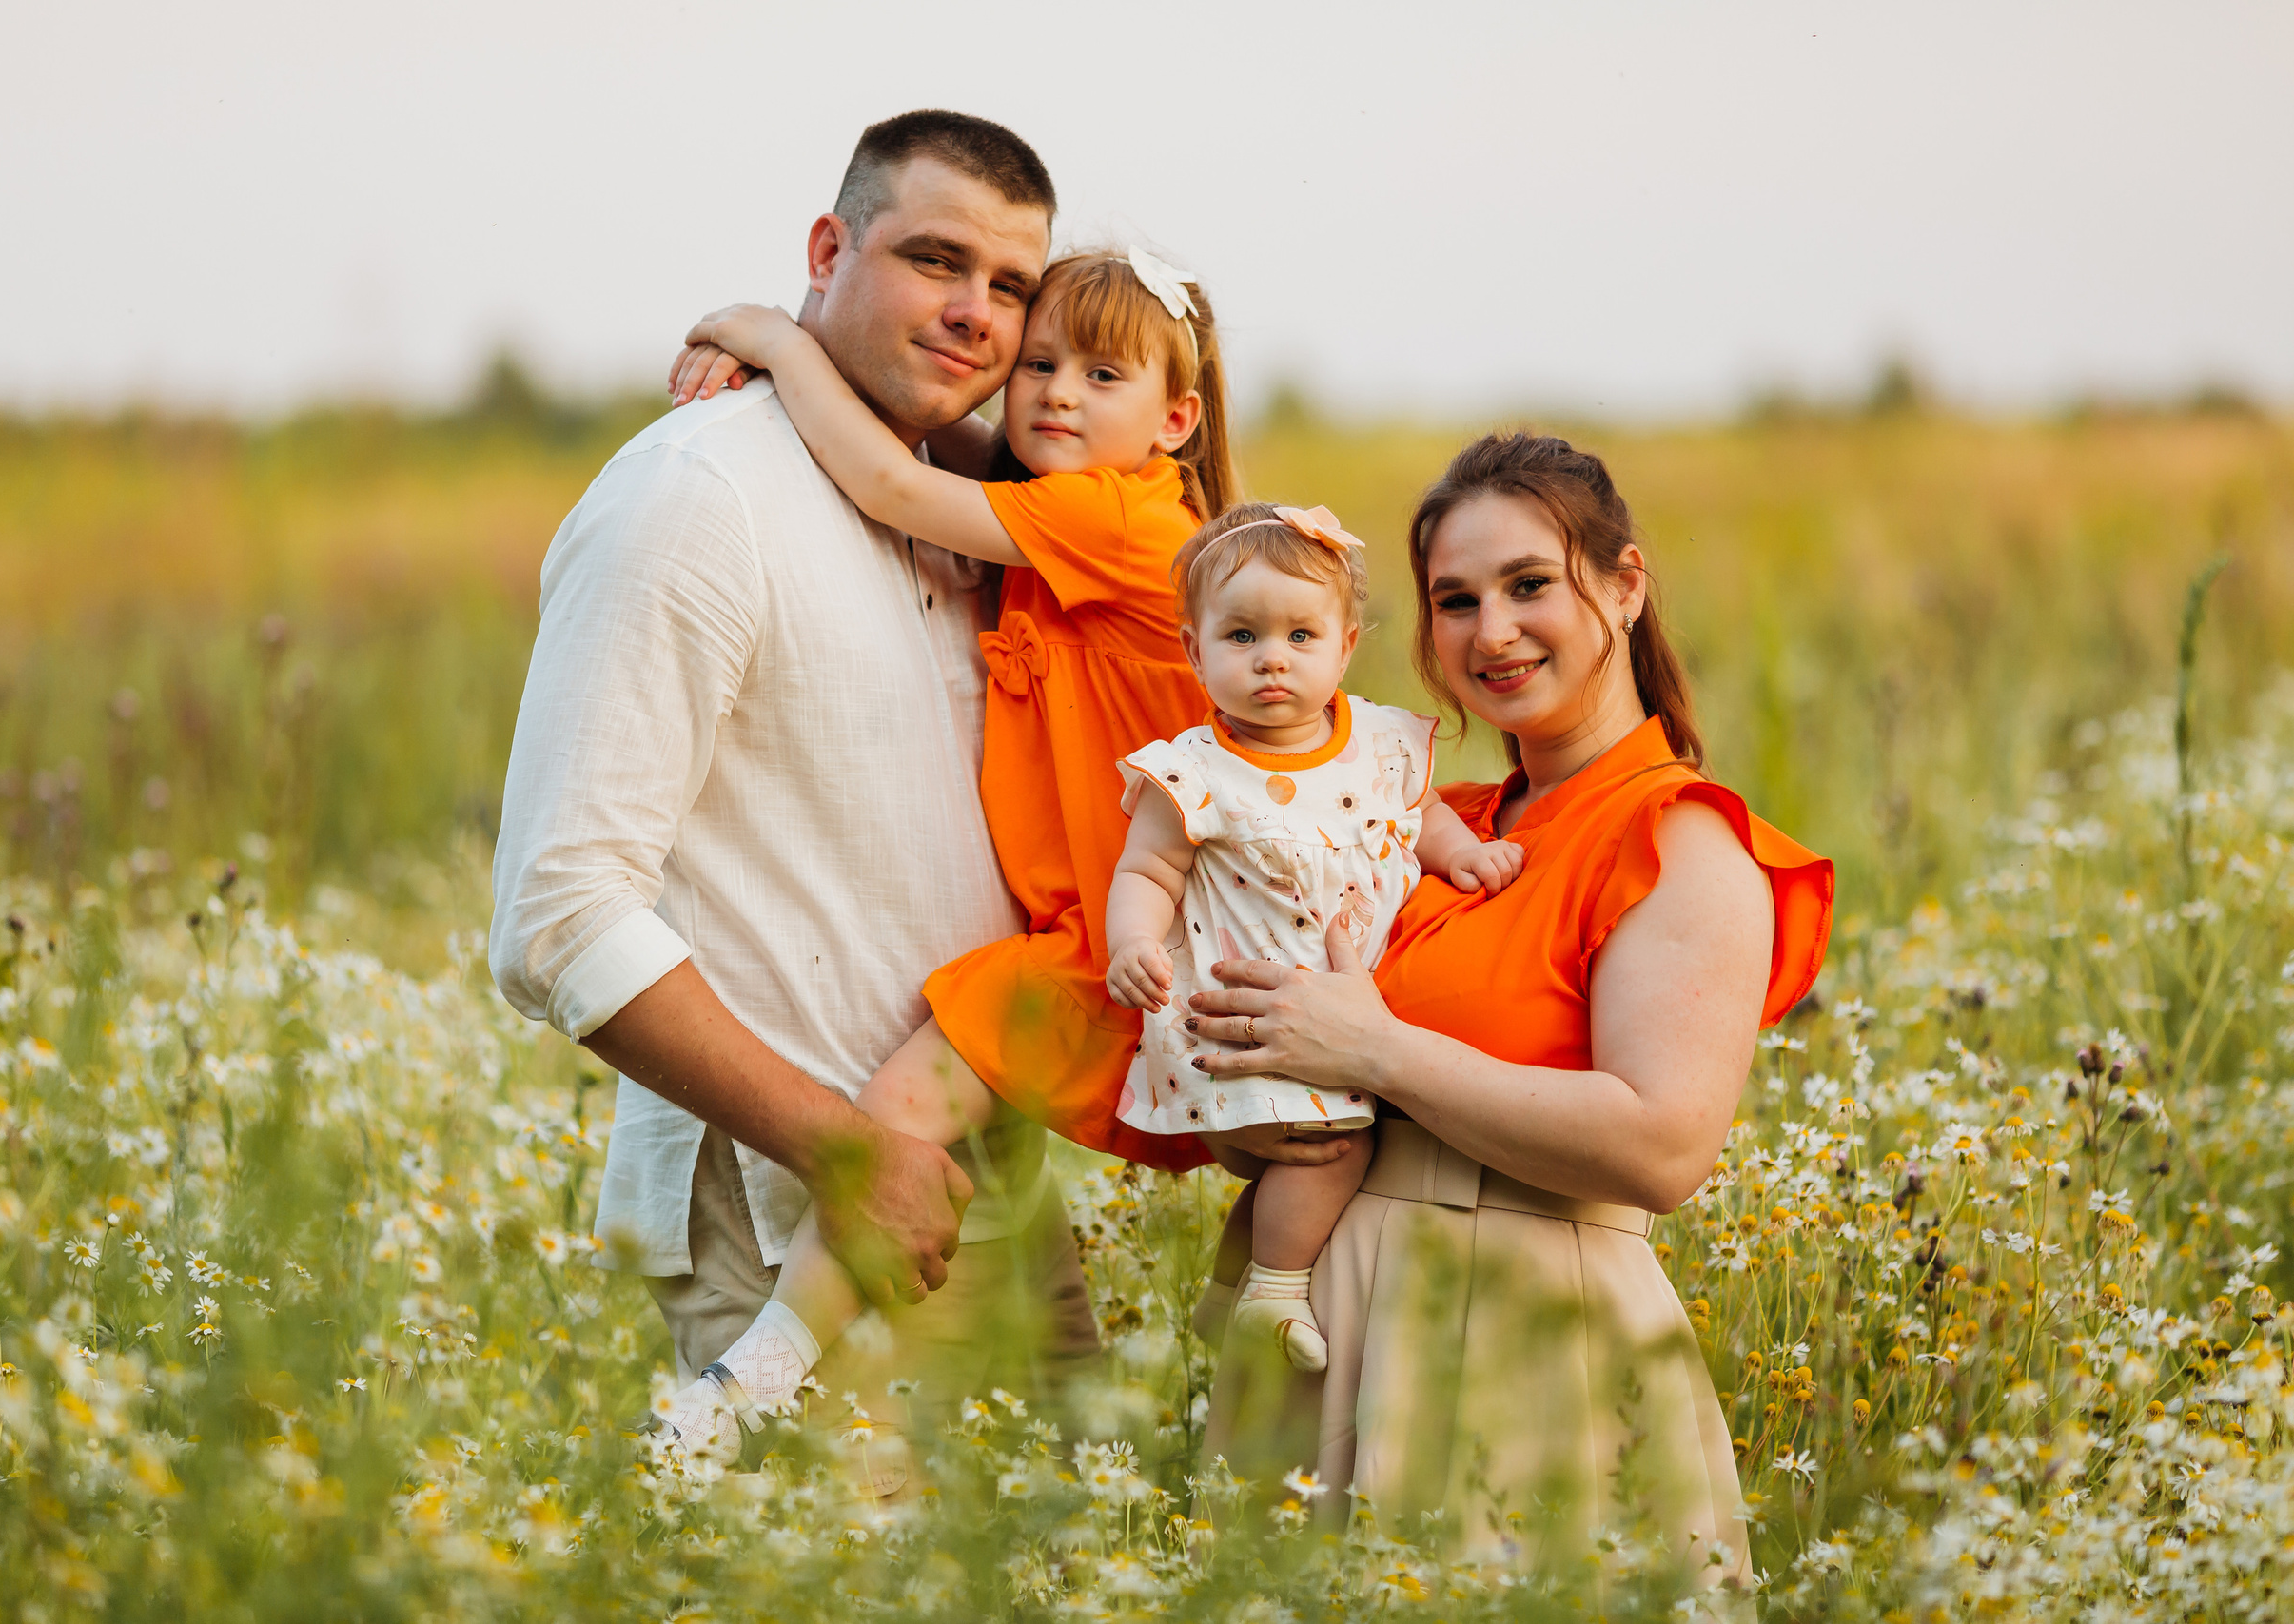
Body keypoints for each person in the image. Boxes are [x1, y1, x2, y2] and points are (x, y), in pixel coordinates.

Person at [486, 111, 1098, 1475]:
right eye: (936, 260)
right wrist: (845, 1154)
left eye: (1011, 286)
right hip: (794, 1217)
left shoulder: (986, 508)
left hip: (994, 1195)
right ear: (828, 250)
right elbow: (558, 912)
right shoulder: (696, 497)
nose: (975, 314)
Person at [1186, 434, 1833, 1589]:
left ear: (1623, 586)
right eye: (1455, 600)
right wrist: (1253, 1107)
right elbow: (1306, 1049)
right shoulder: (1428, 820)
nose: (1492, 632)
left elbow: (1663, 1144)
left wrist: (1377, 1050)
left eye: (1530, 585)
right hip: (1330, 1324)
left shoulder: (1678, 838)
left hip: (1529, 1340)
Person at [642, 245, 1244, 1461]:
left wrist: (779, 340)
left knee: (896, 1111)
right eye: (1038, 367)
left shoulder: (1119, 517)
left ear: (1174, 421)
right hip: (1099, 927)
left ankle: (757, 1372)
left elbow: (890, 480)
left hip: (1130, 933)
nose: (1055, 395)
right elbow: (933, 447)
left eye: (1102, 374)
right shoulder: (1087, 500)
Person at [1104, 502, 1523, 1375]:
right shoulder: (1192, 771)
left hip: (1338, 999)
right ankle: (1276, 1290)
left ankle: (1225, 1294)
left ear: (1344, 646)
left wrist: (1465, 853)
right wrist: (1133, 943)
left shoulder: (1379, 740)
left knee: (1298, 1150)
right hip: (1256, 1007)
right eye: (1242, 635)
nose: (1272, 658)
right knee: (1333, 1145)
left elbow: (1423, 812)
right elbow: (1146, 873)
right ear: (1194, 650)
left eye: (1300, 635)